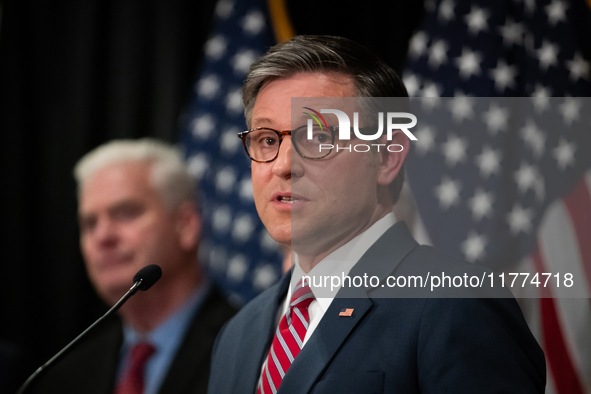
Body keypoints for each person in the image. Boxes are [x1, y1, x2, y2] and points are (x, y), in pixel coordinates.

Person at [207, 35, 546, 393]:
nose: (284, 165)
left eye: (318, 136)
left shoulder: (455, 303)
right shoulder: (237, 334)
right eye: (267, 140)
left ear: (387, 157)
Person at [30, 139, 236, 394]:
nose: (103, 236)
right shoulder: (65, 375)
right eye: (90, 223)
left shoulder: (250, 348)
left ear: (186, 226)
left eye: (125, 213)